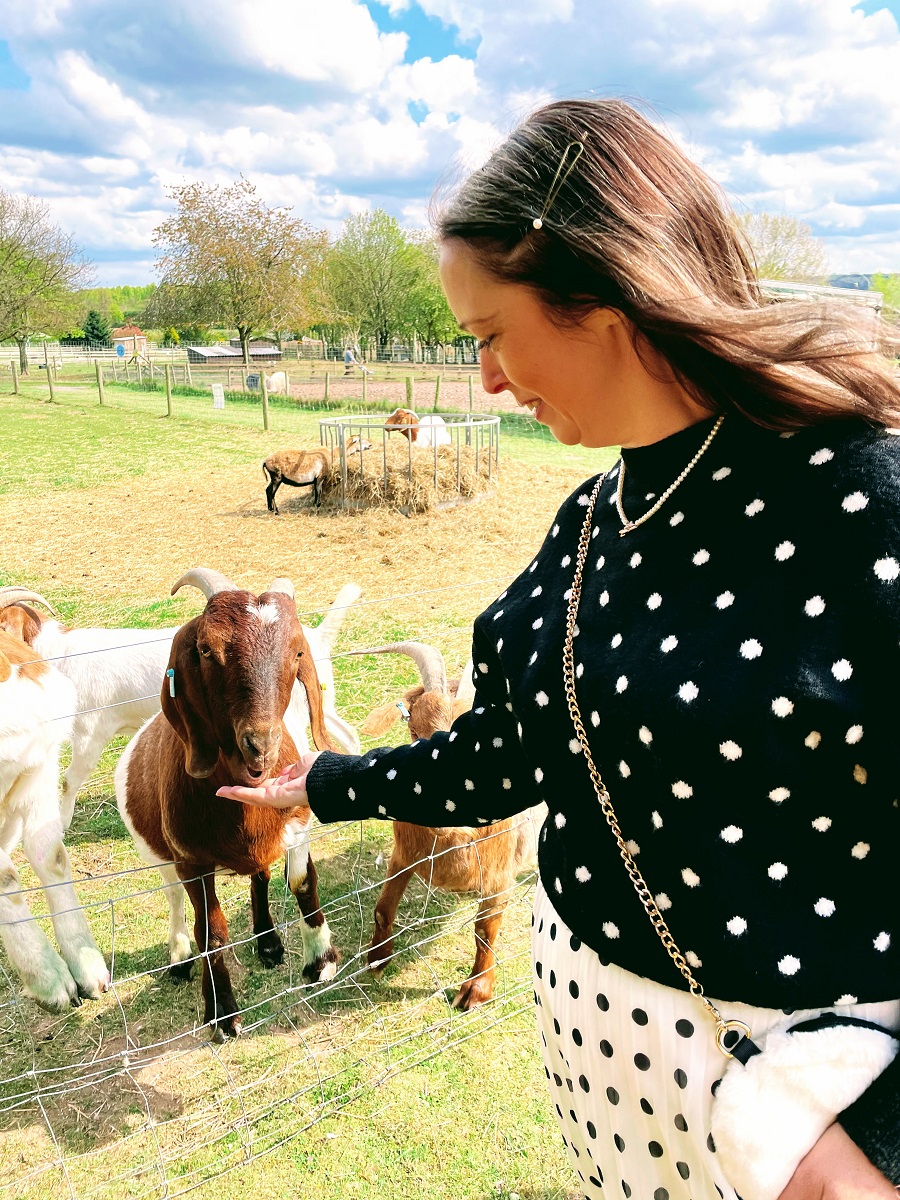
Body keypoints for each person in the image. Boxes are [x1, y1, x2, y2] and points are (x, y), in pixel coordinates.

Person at [218, 99, 900, 1199]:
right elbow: (510, 757)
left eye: (490, 333)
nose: (484, 379)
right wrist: (323, 785)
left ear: (607, 292)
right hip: (603, 1062)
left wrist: (885, 1137)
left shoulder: (862, 502)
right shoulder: (588, 528)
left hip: (816, 1101)